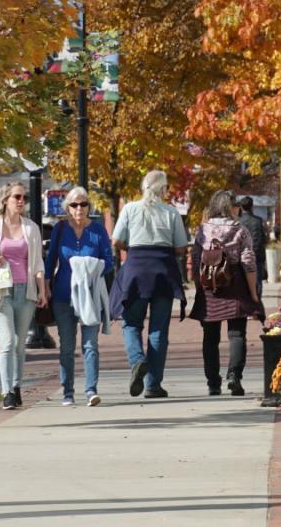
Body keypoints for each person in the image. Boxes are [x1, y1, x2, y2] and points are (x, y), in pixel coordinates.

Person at [109, 169, 187, 399]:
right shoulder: (171, 213)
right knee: (158, 331)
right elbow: (181, 247)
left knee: (131, 323)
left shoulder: (130, 209)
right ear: (163, 189)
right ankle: (153, 385)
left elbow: (116, 240)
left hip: (135, 272)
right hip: (163, 273)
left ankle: (137, 360)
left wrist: (130, 249)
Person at [0, 182, 47, 409]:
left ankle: (16, 386)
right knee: (7, 341)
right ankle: (7, 393)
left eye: (24, 198)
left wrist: (42, 290)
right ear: (5, 200)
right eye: (17, 197)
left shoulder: (31, 228)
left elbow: (37, 263)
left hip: (25, 291)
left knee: (19, 345)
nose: (21, 201)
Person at [44, 186, 114, 406]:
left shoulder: (98, 230)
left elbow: (109, 262)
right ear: (67, 208)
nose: (79, 208)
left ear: (88, 207)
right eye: (74, 204)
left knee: (90, 344)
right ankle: (68, 392)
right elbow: (50, 261)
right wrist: (45, 286)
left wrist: (90, 269)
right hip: (63, 295)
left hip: (90, 295)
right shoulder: (60, 229)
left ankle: (91, 390)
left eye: (83, 204)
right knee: (67, 346)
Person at [191, 191, 263, 395]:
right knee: (237, 334)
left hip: (210, 286)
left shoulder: (203, 230)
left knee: (210, 336)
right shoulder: (240, 229)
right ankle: (234, 376)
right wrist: (253, 293)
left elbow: (196, 260)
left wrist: (199, 287)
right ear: (230, 207)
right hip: (236, 284)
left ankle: (213, 382)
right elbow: (248, 262)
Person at [233, 195, 268, 299]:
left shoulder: (237, 222)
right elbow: (263, 238)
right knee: (257, 282)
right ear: (252, 206)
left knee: (242, 281)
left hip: (241, 256)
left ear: (241, 207)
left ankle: (246, 303)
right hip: (257, 255)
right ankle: (257, 303)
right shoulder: (258, 221)